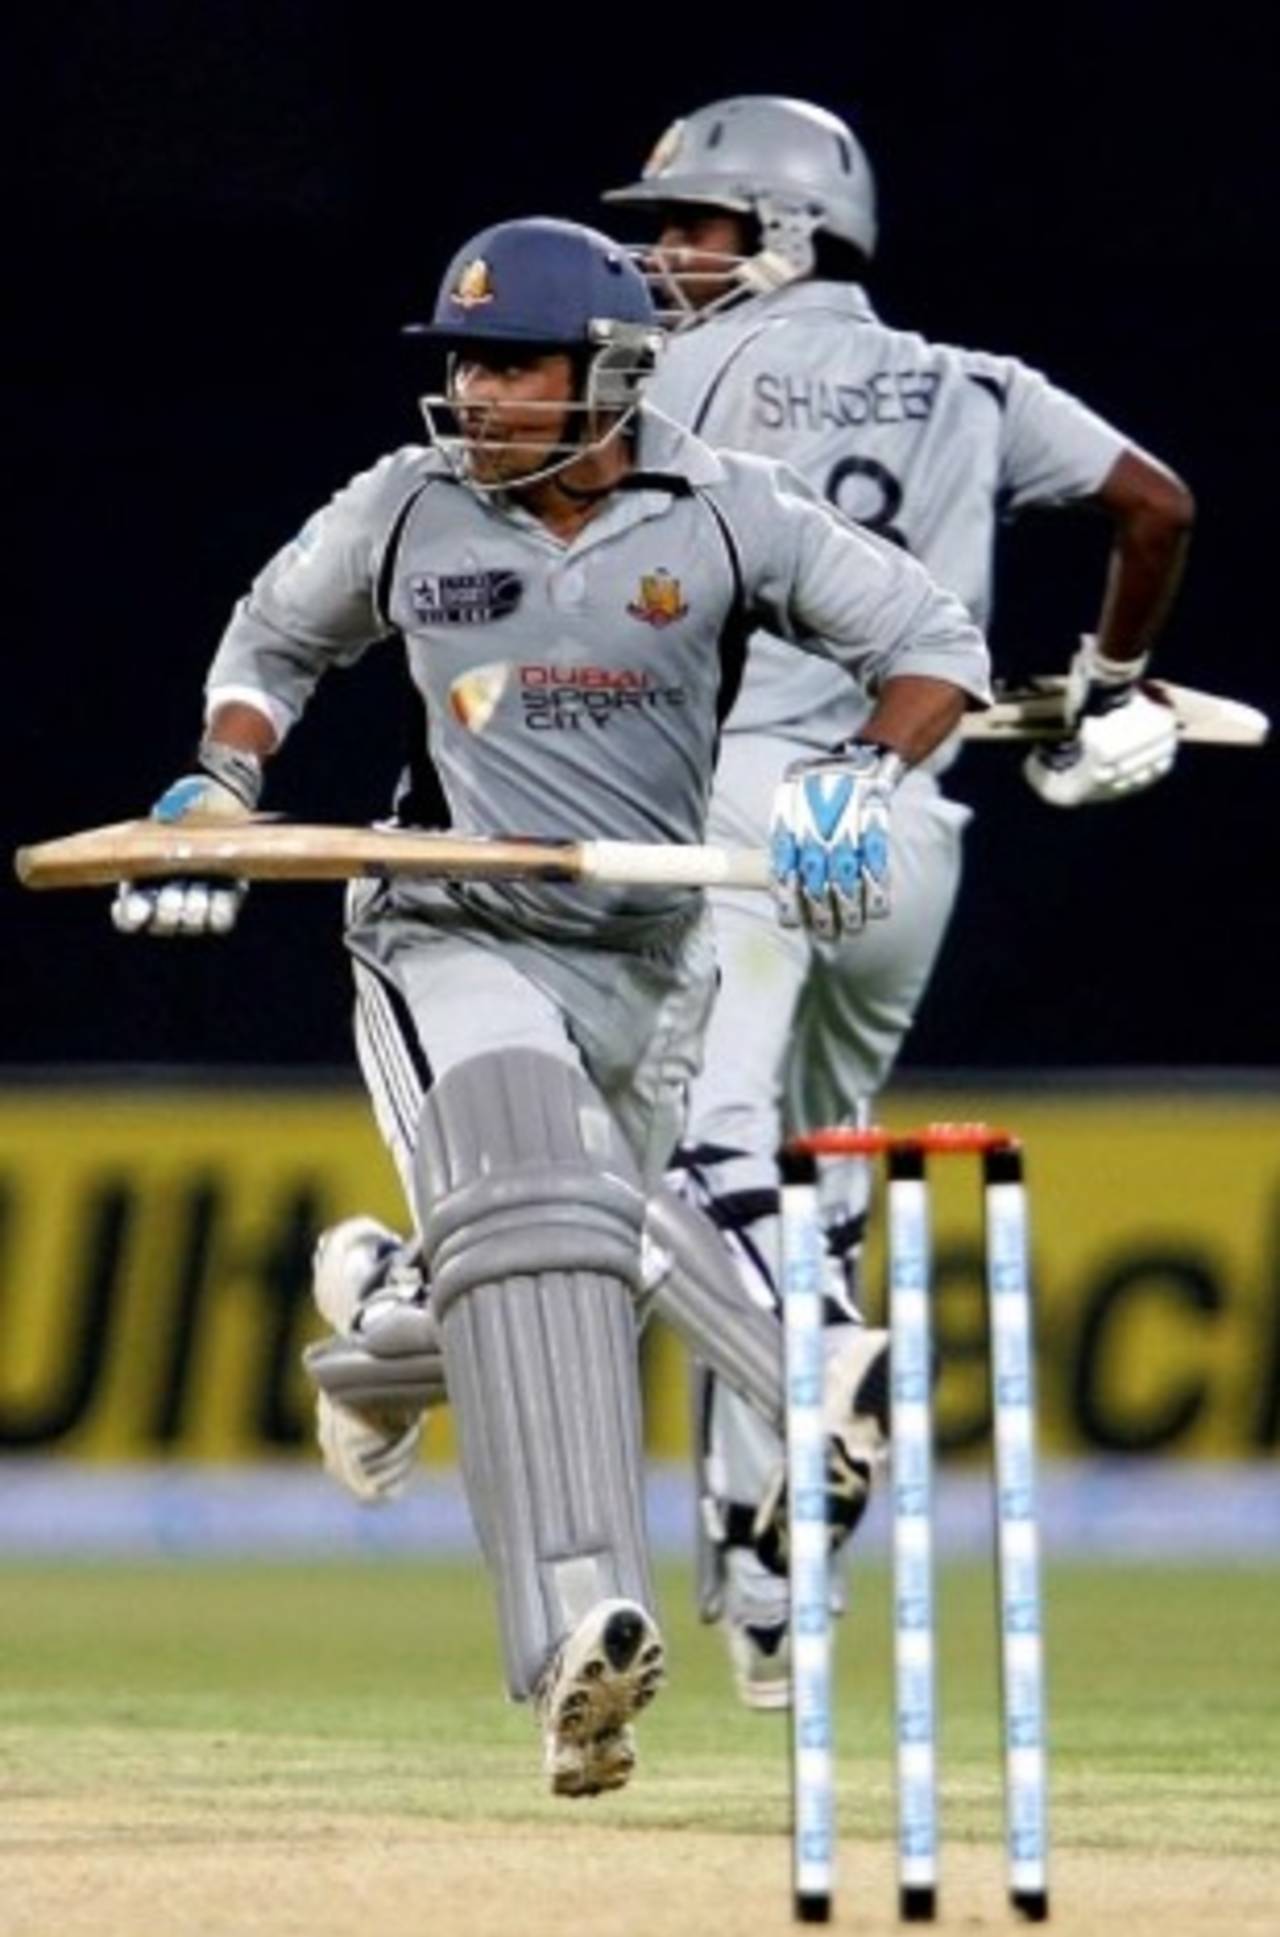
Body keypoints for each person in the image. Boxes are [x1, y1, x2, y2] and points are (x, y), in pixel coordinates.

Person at [109, 215, 992, 1793]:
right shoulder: (407, 504)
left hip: (646, 956)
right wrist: (224, 777)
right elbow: (272, 640)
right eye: (463, 361)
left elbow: (933, 641)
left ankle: (385, 1324)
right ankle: (586, 1630)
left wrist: (861, 774)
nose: (476, 392)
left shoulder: (725, 514)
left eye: (512, 363)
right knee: (552, 1185)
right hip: (445, 924)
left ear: (612, 373)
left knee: (558, 1250)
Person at [601, 95, 1195, 1709]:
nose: (668, 255)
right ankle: (765, 1562)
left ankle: (822, 1381)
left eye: (696, 227)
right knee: (818, 1158)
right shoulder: (973, 381)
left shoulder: (683, 372)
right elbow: (1158, 505)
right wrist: (1109, 680)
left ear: (781, 233)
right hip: (906, 818)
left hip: (749, 802)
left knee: (702, 1164)